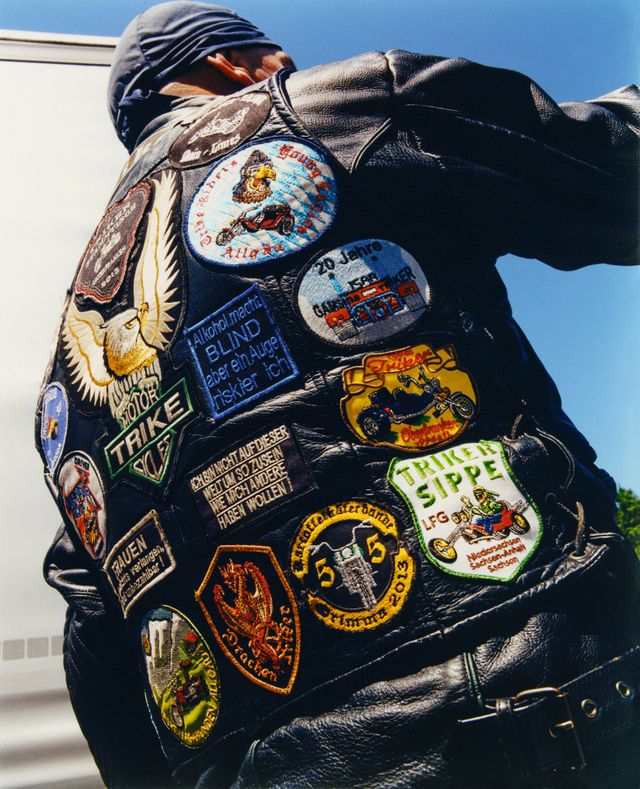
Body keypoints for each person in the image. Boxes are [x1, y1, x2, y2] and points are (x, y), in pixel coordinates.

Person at [36, 2, 640, 787]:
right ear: (225, 63)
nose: (287, 64)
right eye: (271, 53)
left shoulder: (63, 382)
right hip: (533, 691)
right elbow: (610, 170)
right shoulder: (337, 109)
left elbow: (95, 632)